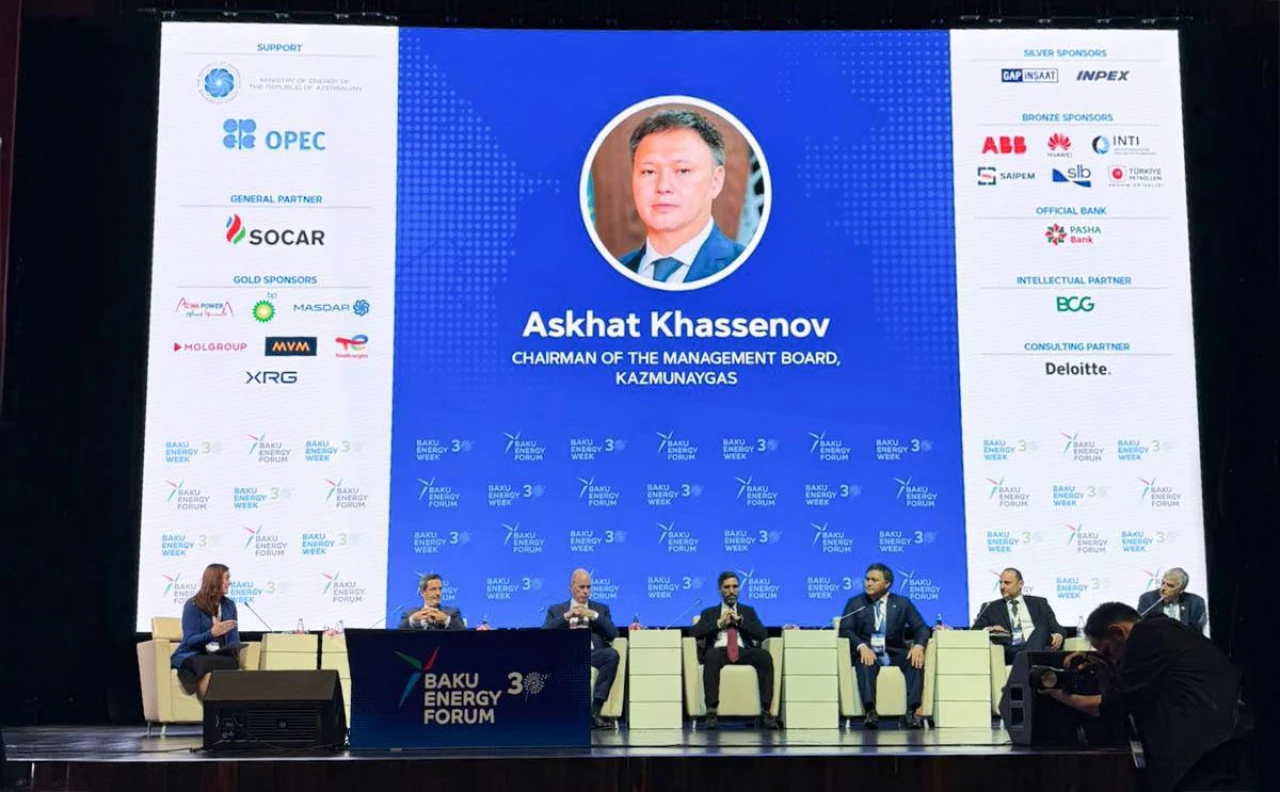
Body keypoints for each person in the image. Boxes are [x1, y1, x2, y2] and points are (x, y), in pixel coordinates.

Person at [1041, 602, 1246, 792]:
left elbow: (1109, 706)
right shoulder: (1170, 631)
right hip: (1222, 751)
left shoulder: (1144, 635)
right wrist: (1100, 664)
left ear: (1118, 631)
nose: (1114, 660)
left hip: (1198, 762)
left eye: (1108, 651)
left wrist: (1059, 694)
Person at [617, 109, 746, 285]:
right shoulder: (614, 271)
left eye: (683, 171)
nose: (663, 187)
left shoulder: (747, 269)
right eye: (649, 171)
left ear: (715, 182)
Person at [838, 563, 929, 729]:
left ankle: (911, 712)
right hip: (868, 650)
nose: (868, 583)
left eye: (874, 580)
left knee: (914, 661)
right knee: (865, 662)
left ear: (887, 584)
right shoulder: (855, 603)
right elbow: (845, 629)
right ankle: (870, 712)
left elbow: (921, 628)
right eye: (867, 579)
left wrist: (919, 647)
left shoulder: (902, 603)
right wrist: (861, 646)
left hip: (894, 651)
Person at [690, 571, 780, 730]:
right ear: (720, 590)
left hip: (743, 650)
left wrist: (741, 622)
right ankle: (711, 712)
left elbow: (762, 634)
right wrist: (719, 623)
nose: (731, 591)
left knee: (764, 656)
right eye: (727, 587)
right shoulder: (709, 613)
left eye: (735, 587)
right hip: (719, 651)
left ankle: (766, 712)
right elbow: (694, 633)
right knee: (711, 655)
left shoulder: (748, 611)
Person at [543, 569, 619, 729]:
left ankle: (594, 711)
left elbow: (613, 634)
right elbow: (545, 634)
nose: (585, 591)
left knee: (612, 655)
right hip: (566, 655)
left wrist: (593, 615)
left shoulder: (601, 609)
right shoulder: (556, 610)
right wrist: (566, 616)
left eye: (588, 587)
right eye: (581, 587)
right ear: (572, 587)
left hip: (591, 654)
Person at [172, 563, 242, 700]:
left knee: (233, 663)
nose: (230, 582)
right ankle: (188, 669)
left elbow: (233, 637)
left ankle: (190, 673)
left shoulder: (229, 605)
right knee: (203, 662)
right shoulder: (193, 605)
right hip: (194, 654)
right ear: (215, 580)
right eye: (227, 578)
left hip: (218, 656)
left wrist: (235, 647)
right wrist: (211, 634)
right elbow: (190, 640)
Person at [972, 567, 1064, 664]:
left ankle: (1026, 662)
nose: (1002, 587)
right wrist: (990, 629)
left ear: (1020, 584)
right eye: (1000, 583)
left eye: (1007, 583)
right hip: (1011, 651)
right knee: (1040, 650)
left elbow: (1059, 629)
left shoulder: (1040, 604)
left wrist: (1058, 636)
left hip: (1037, 647)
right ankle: (1029, 662)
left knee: (1042, 629)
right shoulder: (991, 607)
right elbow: (974, 631)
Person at [1137, 568, 1207, 634]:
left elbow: (1195, 632)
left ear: (1181, 590)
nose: (1163, 588)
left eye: (1170, 585)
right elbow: (1141, 627)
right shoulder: (1148, 599)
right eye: (1163, 583)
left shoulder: (1195, 602)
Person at [399, 573, 465, 631]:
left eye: (440, 589)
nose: (438, 593)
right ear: (422, 593)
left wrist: (446, 619)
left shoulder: (453, 613)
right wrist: (412, 620)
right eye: (433, 589)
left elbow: (464, 634)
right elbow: (398, 635)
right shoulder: (409, 614)